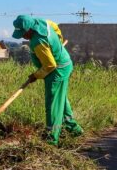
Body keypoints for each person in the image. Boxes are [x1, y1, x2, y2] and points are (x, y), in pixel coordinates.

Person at [12, 14, 82, 145]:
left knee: (53, 102)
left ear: (29, 29)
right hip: (64, 64)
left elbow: (50, 65)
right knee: (60, 98)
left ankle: (51, 137)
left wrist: (36, 75)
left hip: (57, 71)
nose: (23, 37)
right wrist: (58, 44)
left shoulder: (38, 41)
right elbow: (56, 28)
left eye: (23, 33)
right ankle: (73, 128)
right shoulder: (43, 23)